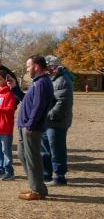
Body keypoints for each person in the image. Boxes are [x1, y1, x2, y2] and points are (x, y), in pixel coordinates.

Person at [13, 55, 55, 201]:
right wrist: (14, 88)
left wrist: (30, 124)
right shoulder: (37, 82)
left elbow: (38, 106)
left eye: (28, 66)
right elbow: (27, 100)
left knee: (32, 158)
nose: (27, 69)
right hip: (25, 125)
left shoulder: (42, 83)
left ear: (36, 67)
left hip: (31, 127)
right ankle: (36, 186)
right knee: (22, 154)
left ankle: (37, 190)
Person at [41, 55, 73, 186]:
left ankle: (60, 177)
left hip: (57, 122)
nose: (45, 70)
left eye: (47, 67)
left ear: (53, 67)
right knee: (45, 150)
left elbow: (62, 103)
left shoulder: (63, 80)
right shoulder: (51, 79)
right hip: (46, 121)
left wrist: (48, 115)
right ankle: (46, 175)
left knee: (57, 150)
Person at [0, 71, 18, 181]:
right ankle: (0, 169)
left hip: (5, 126)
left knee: (6, 150)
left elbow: (10, 110)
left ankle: (9, 171)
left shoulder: (10, 94)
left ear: (5, 80)